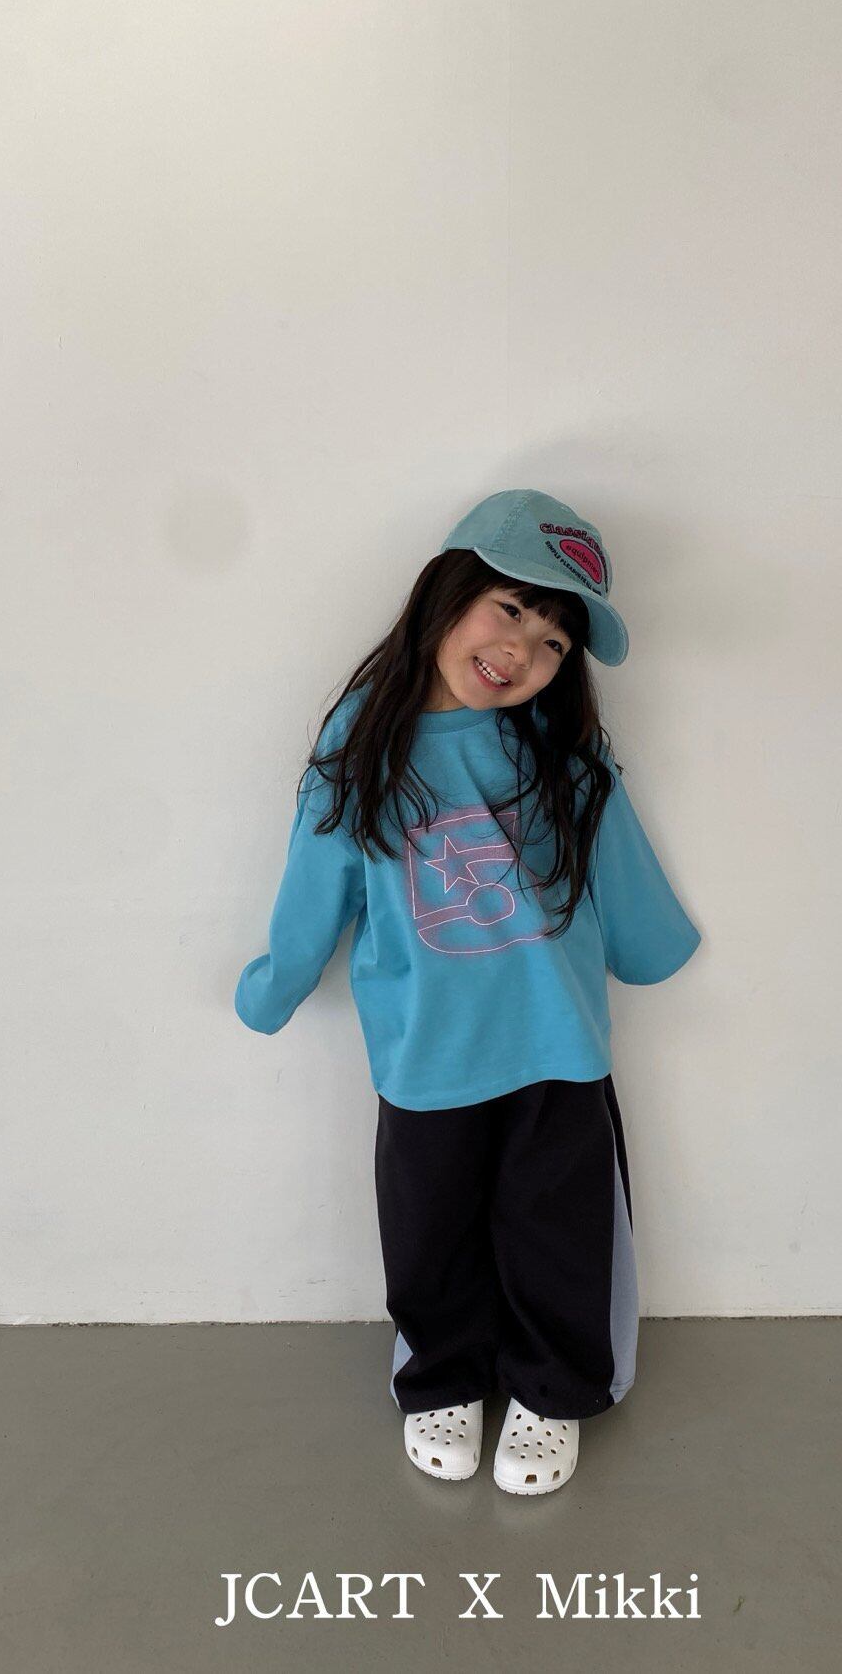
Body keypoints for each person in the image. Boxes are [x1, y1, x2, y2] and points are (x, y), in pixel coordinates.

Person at [235, 488, 702, 1496]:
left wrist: (651, 948)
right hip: (426, 1048)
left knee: (556, 1225)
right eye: (510, 608)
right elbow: (315, 882)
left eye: (554, 640)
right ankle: (442, 1374)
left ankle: (551, 1384)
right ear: (446, 593)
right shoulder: (361, 747)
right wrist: (274, 984)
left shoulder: (561, 755)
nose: (523, 649)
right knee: (429, 1226)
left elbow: (616, 862)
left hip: (555, 1042)